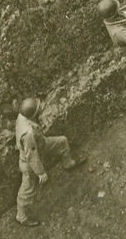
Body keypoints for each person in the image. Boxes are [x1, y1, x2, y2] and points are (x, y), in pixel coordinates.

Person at [14, 96, 78, 228]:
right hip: (30, 163)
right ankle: (21, 216)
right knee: (27, 190)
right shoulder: (28, 134)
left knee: (62, 142)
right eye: (38, 110)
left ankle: (68, 164)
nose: (41, 109)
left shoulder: (22, 116)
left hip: (41, 145)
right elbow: (32, 156)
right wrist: (41, 173)